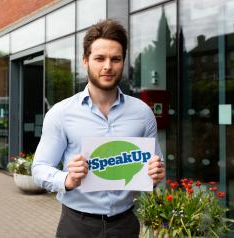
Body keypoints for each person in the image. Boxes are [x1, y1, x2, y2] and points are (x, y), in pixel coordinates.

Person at [32, 19, 165, 238]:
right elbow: (39, 168)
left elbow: (155, 169)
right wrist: (67, 180)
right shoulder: (61, 113)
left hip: (125, 225)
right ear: (85, 61)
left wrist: (156, 174)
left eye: (115, 59)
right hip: (77, 225)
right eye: (99, 58)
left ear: (123, 62)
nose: (107, 66)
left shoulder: (142, 113)